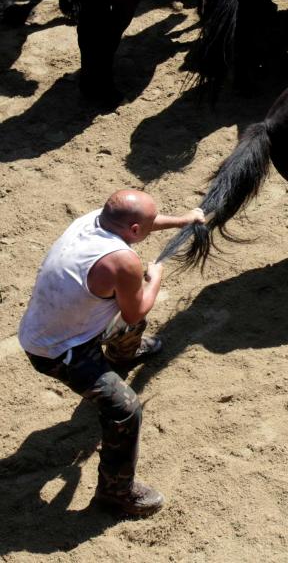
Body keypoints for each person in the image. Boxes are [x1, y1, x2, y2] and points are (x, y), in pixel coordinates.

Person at [18, 190, 204, 516]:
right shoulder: (123, 262)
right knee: (126, 409)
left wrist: (185, 219)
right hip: (57, 351)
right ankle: (116, 493)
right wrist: (155, 279)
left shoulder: (92, 219)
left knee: (127, 320)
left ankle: (122, 356)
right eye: (146, 224)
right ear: (133, 230)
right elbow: (135, 312)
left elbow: (143, 223)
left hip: (58, 324)